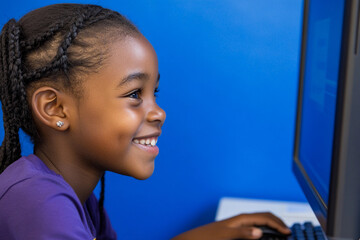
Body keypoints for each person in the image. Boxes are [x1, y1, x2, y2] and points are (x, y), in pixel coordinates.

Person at [0, 4, 291, 240]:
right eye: (135, 94)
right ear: (56, 109)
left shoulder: (77, 195)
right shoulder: (37, 201)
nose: (159, 112)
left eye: (155, 92)